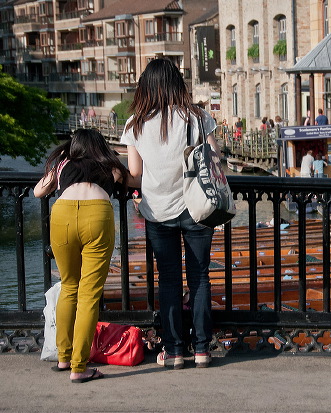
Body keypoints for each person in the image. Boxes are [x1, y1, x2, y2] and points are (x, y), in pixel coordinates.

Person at [121, 58, 221, 369]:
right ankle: (202, 348)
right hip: (197, 208)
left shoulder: (136, 124)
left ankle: (174, 350)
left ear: (146, 87)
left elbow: (135, 174)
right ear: (178, 83)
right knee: (200, 277)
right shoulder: (197, 117)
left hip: (158, 211)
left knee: (168, 280)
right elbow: (215, 159)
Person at [34, 129, 128, 383]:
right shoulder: (109, 164)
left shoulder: (63, 163)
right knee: (89, 294)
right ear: (100, 146)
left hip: (63, 214)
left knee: (68, 286)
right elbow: (134, 181)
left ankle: (64, 358)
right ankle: (79, 366)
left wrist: (59, 169)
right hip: (97, 215)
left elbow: (38, 192)